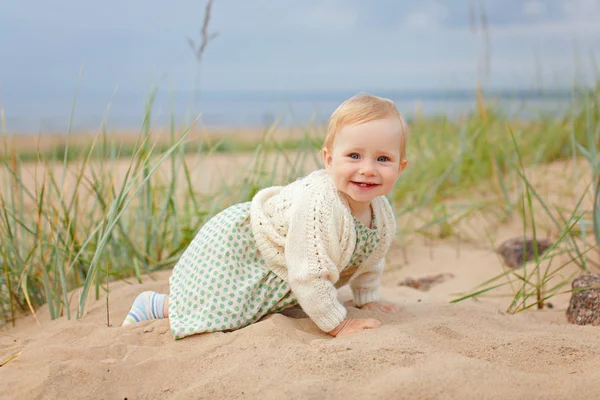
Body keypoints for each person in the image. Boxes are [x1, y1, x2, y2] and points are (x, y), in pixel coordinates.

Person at [122, 93, 409, 338]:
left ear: (400, 167)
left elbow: (372, 257)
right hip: (245, 247)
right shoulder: (319, 204)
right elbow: (308, 275)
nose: (368, 169)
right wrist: (340, 324)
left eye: (383, 159)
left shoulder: (380, 211)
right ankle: (158, 305)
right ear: (329, 160)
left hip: (290, 258)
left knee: (258, 306)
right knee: (226, 309)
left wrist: (368, 300)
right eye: (354, 156)